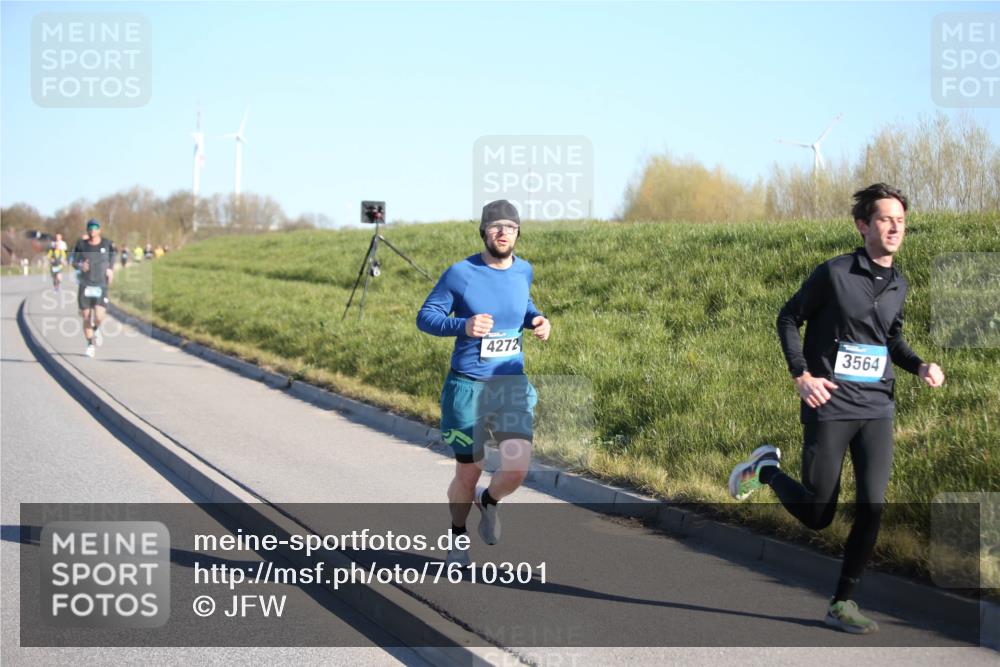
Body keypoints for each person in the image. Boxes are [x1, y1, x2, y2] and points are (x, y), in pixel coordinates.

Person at [728, 183, 945, 634]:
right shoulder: (834, 273)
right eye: (886, 219)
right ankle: (765, 470)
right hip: (829, 403)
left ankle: (841, 601)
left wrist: (919, 364)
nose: (895, 227)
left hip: (877, 406)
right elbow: (788, 317)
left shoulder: (899, 282)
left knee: (873, 506)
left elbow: (890, 341)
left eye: (901, 220)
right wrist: (801, 375)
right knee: (817, 514)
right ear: (863, 225)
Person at [417, 199, 551, 568]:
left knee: (516, 469)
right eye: (496, 226)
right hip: (468, 390)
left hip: (510, 386)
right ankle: (457, 535)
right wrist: (463, 325)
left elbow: (523, 304)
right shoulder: (461, 273)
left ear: (518, 232)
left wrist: (537, 319)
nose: (503, 232)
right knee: (469, 470)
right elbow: (426, 317)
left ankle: (488, 501)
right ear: (484, 232)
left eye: (510, 226)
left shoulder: (524, 270)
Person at [71, 220, 117, 358]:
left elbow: (113, 257)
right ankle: (90, 344)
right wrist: (80, 265)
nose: (92, 230)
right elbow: (73, 261)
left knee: (99, 316)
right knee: (86, 316)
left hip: (101, 284)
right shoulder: (81, 244)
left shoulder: (107, 244)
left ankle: (96, 329)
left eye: (95, 228)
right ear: (87, 230)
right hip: (85, 284)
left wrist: (110, 269)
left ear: (99, 230)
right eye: (90, 228)